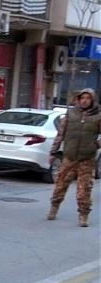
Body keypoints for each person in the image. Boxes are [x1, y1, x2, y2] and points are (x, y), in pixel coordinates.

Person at [47, 88, 100, 228]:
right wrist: (53, 152)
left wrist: (96, 144)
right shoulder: (71, 113)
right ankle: (54, 207)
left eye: (88, 98)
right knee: (60, 184)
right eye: (82, 98)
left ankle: (83, 215)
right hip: (69, 157)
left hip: (87, 159)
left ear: (92, 100)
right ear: (78, 99)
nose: (84, 100)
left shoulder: (98, 115)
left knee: (84, 189)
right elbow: (60, 134)